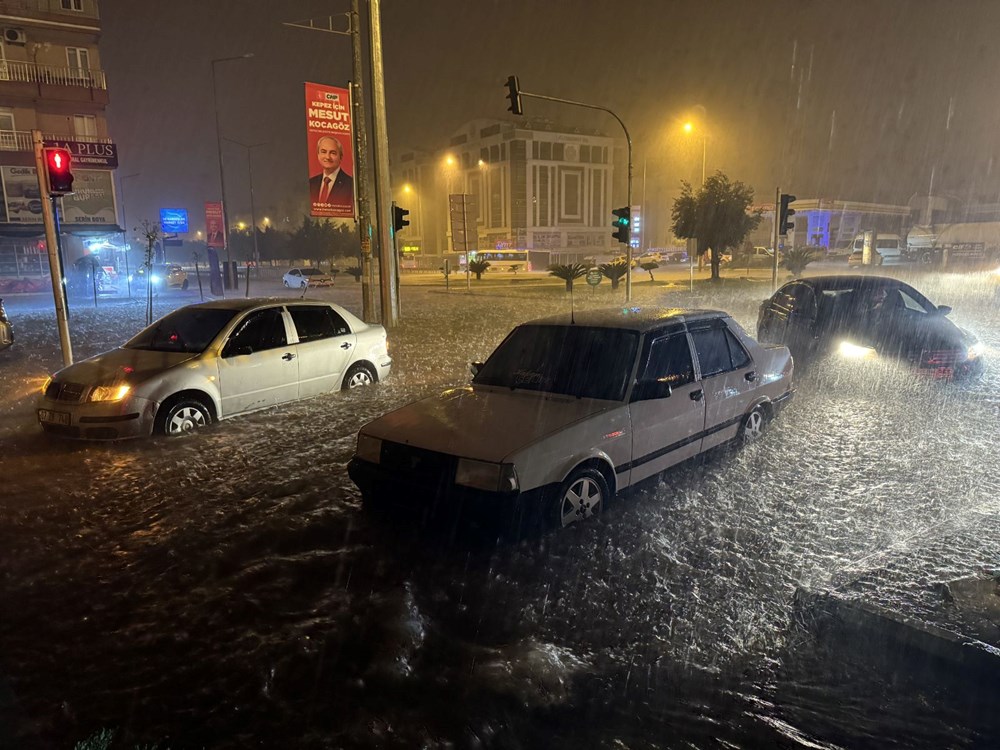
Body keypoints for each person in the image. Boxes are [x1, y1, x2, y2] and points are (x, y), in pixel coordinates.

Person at [309, 136, 354, 206]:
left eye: (333, 153)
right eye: (323, 152)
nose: (327, 157)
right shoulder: (311, 183)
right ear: (318, 155)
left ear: (341, 157)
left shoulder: (351, 185)